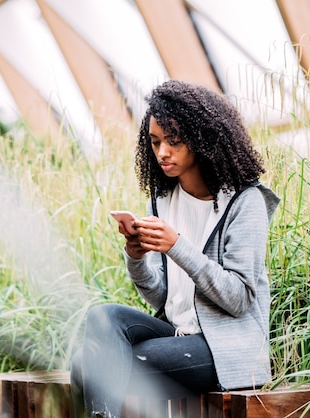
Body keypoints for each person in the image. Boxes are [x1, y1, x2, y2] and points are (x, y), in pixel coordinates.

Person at [70, 80, 281, 418]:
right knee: (103, 319)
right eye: (155, 142)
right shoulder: (164, 198)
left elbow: (239, 299)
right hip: (177, 334)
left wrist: (178, 247)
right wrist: (136, 256)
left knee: (94, 365)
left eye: (174, 141)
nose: (162, 152)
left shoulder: (246, 201)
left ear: (203, 141)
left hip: (223, 346)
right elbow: (162, 299)